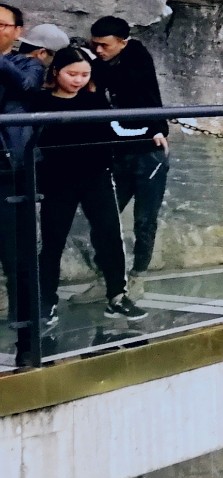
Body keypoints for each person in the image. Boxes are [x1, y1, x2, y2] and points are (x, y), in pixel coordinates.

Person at [32, 46, 139, 322]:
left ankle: (117, 295)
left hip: (96, 176)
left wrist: (150, 134)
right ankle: (46, 300)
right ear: (56, 72)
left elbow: (115, 131)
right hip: (57, 180)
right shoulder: (40, 102)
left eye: (84, 74)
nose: (78, 80)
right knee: (52, 241)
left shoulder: (95, 102)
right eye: (72, 74)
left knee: (110, 236)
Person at [89, 16, 169, 282]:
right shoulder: (101, 64)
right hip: (116, 150)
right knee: (104, 217)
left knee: (145, 220)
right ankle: (107, 278)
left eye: (105, 45)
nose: (99, 50)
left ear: (122, 43)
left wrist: (157, 129)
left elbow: (137, 86)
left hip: (147, 147)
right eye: (95, 45)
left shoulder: (136, 56)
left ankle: (138, 276)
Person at [0, 11, 60, 323]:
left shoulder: (28, 66)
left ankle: (23, 319)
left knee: (15, 248)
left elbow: (26, 87)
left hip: (10, 163)